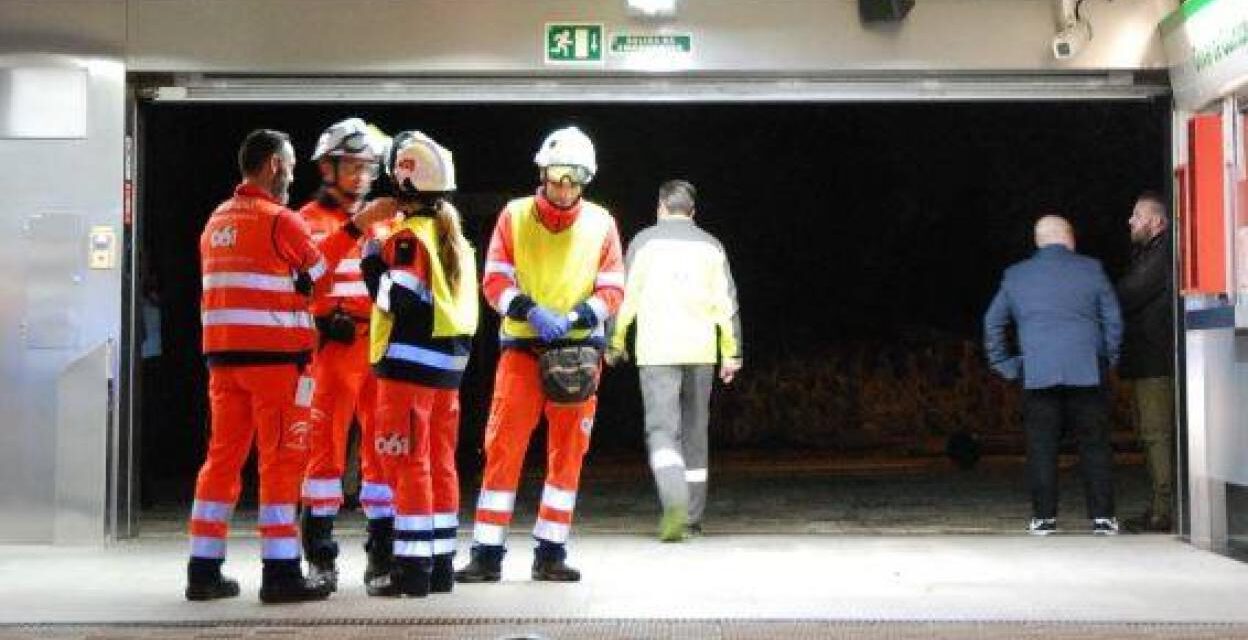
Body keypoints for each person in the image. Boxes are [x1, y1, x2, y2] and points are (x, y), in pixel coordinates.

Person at [187, 128, 392, 603]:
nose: (294, 173)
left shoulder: (217, 220)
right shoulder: (283, 220)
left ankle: (203, 569)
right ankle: (281, 571)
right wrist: (357, 233)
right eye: (293, 164)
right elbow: (318, 278)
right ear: (276, 165)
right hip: (276, 364)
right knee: (283, 463)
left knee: (221, 463)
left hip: (223, 361)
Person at [456, 125, 625, 583]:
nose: (564, 186)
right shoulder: (513, 216)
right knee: (501, 450)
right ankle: (486, 554)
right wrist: (532, 311)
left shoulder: (601, 222)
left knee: (568, 455)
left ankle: (551, 552)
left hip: (577, 357)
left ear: (586, 178)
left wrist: (572, 320)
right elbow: (493, 280)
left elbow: (612, 289)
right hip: (522, 352)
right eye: (556, 176)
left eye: (573, 177)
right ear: (542, 172)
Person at [361, 130, 479, 597]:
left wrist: (370, 258)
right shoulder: (455, 238)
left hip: (407, 372)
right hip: (446, 373)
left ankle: (412, 571)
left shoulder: (408, 239)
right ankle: (440, 564)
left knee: (407, 465)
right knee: (440, 463)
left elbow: (399, 300)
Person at [606, 179, 742, 541]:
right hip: (700, 354)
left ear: (660, 208)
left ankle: (674, 503)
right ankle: (692, 518)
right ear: (693, 213)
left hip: (657, 353)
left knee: (663, 432)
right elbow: (726, 305)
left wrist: (614, 342)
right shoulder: (712, 247)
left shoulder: (643, 243)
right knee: (696, 433)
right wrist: (732, 353)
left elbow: (624, 298)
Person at [297, 117, 395, 592]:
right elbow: (308, 279)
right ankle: (320, 559)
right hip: (331, 349)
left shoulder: (389, 220)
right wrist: (359, 228)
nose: (360, 177)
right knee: (323, 456)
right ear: (327, 168)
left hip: (379, 349)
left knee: (384, 454)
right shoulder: (305, 222)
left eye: (368, 168)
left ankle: (381, 558)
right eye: (351, 167)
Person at [983, 214, 1123, 536]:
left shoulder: (1016, 276)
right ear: (1069, 237)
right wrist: (1107, 359)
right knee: (1095, 445)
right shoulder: (1091, 269)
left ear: (1038, 240)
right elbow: (1113, 318)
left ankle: (1044, 517)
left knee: (1042, 446)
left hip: (1038, 374)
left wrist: (1005, 364)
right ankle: (1102, 517)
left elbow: (992, 322)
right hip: (1086, 372)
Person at [1116, 191, 1175, 533]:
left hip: (1156, 360)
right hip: (1146, 359)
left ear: (1156, 220)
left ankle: (1163, 510)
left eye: (1137, 215)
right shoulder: (1149, 252)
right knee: (1150, 434)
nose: (1130, 221)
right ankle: (1159, 505)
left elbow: (1131, 293)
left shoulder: (1162, 252)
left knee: (1156, 434)